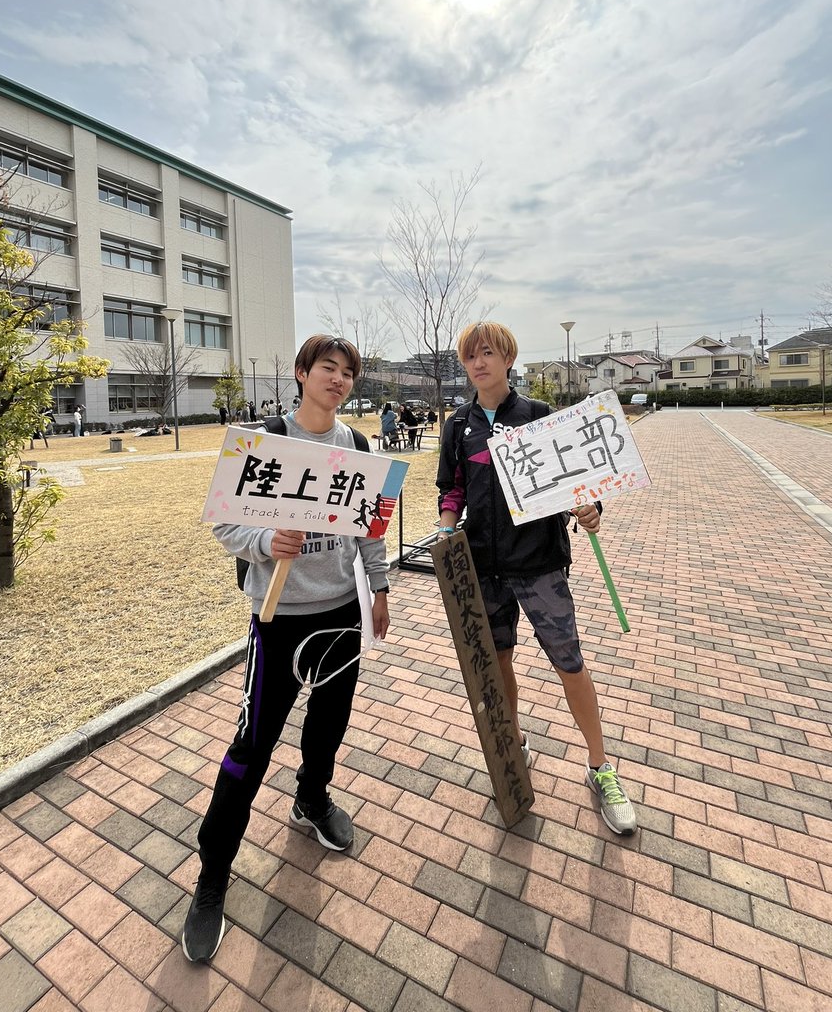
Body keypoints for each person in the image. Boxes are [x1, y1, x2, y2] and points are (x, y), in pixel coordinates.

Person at [182, 334, 391, 964]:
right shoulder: (263, 442)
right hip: (277, 620)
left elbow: (371, 525)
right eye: (328, 368)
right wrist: (265, 541)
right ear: (301, 373)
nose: (339, 380)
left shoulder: (358, 447)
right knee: (251, 747)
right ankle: (213, 874)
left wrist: (379, 589)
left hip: (341, 614)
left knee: (329, 724)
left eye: (348, 372)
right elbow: (224, 524)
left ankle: (312, 797)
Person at [435, 322, 637, 837]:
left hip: (540, 564)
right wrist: (445, 528)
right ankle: (514, 743)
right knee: (499, 659)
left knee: (570, 663)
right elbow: (452, 490)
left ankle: (600, 766)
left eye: (488, 353)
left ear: (508, 359)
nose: (479, 363)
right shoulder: (457, 426)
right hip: (483, 568)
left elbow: (576, 483)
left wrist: (589, 509)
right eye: (470, 357)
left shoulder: (539, 416)